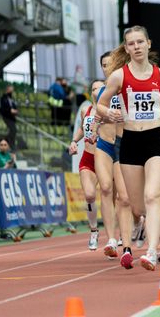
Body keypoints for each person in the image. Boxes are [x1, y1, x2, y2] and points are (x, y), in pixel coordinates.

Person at [96, 25, 160, 271]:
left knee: (153, 196)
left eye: (140, 42)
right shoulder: (118, 76)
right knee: (137, 207)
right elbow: (101, 105)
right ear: (126, 48)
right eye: (131, 43)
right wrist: (109, 112)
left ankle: (151, 252)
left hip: (154, 140)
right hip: (130, 143)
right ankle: (142, 226)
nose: (136, 47)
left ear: (148, 44)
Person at [93, 51, 136, 269]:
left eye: (110, 64)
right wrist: (91, 131)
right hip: (103, 144)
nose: (106, 68)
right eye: (103, 65)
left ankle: (128, 238)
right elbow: (95, 116)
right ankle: (111, 239)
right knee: (106, 189)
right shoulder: (100, 91)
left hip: (122, 143)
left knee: (125, 197)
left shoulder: (127, 86)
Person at [68, 80, 104, 252]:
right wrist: (74, 141)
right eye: (94, 88)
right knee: (89, 195)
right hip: (88, 158)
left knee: (117, 199)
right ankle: (94, 230)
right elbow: (83, 129)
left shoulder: (112, 111)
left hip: (106, 159)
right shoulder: (86, 110)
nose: (97, 91)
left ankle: (120, 235)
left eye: (100, 88)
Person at [0, 85, 18, 151]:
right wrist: (10, 110)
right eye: (11, 90)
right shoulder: (3, 98)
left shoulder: (11, 98)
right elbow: (3, 108)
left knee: (14, 131)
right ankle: (6, 142)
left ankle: (10, 144)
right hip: (7, 116)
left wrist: (15, 110)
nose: (12, 91)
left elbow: (14, 107)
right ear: (7, 89)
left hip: (12, 117)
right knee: (13, 130)